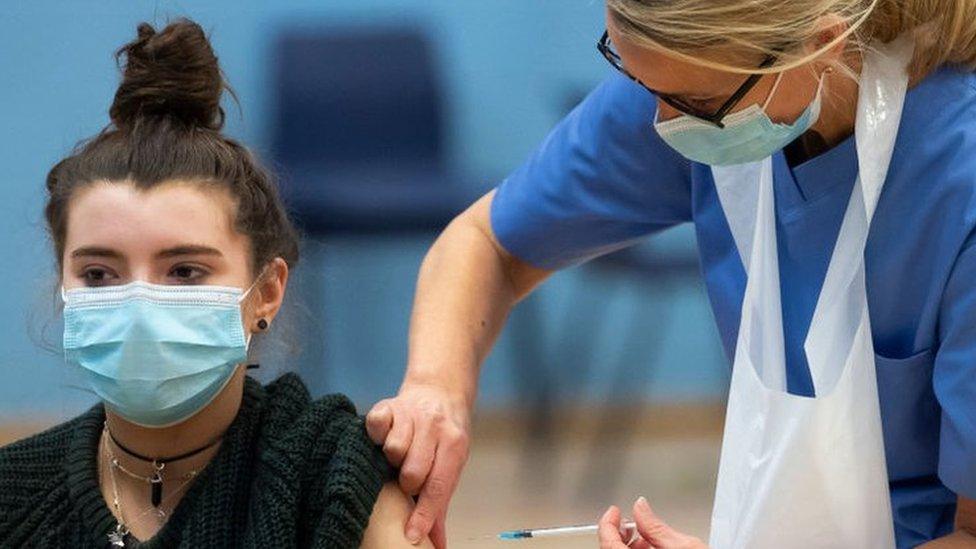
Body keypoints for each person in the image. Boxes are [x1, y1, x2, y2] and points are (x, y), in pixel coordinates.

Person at [366, 0, 976, 547]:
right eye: (638, 79)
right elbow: (487, 244)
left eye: (698, 106)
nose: (661, 125)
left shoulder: (957, 178)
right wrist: (434, 391)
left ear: (824, 42)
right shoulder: (689, 78)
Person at [0, 19, 433, 549]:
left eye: (185, 271)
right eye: (98, 274)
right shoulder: (14, 497)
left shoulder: (330, 474)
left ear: (267, 291)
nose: (141, 304)